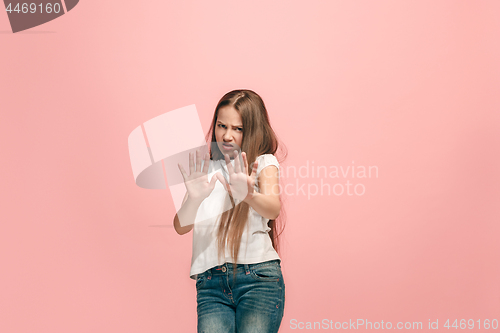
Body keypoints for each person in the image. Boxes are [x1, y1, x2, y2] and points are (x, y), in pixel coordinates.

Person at [173, 89, 287, 333]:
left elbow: (273, 208)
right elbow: (180, 226)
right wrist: (194, 200)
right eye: (221, 125)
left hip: (257, 278)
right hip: (211, 283)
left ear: (252, 130)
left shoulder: (263, 163)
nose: (226, 135)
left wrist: (249, 195)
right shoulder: (206, 169)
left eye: (238, 128)